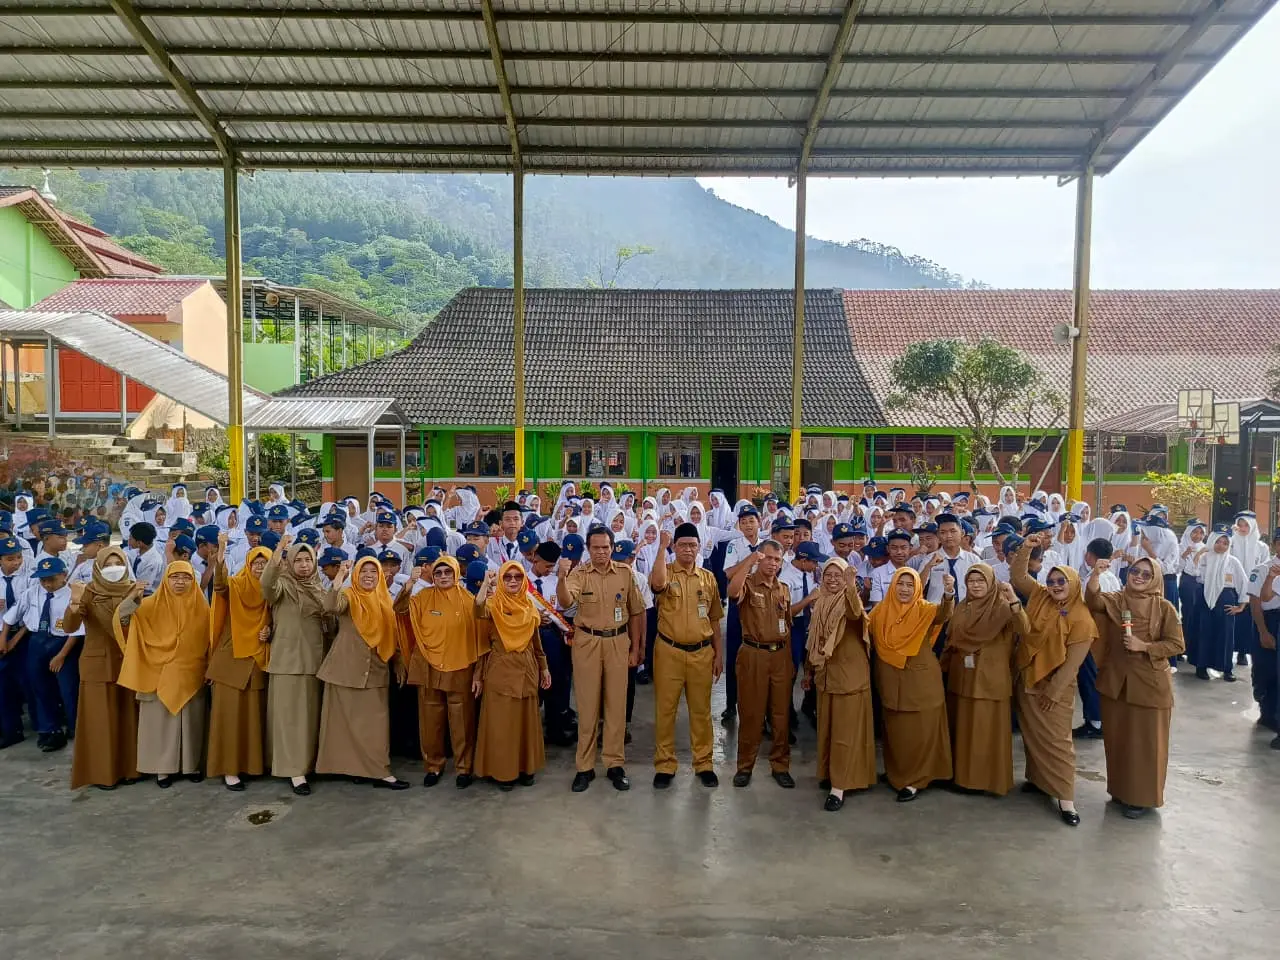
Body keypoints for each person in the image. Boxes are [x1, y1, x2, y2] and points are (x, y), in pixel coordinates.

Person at [1007, 537, 1097, 826]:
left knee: (1058, 743)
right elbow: (1018, 576)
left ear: (1073, 584)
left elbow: (1073, 664)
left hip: (1053, 687)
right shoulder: (1040, 595)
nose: (1056, 586)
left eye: (1062, 581)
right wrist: (1026, 548)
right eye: (1052, 580)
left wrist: (1054, 691)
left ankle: (1065, 798)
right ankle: (1038, 780)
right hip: (1027, 678)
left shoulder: (1082, 618)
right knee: (1032, 735)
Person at [1086, 557, 1184, 818]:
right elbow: (1093, 601)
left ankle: (1141, 799)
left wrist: (1145, 647)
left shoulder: (1164, 607)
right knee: (1118, 740)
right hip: (1117, 682)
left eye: (1146, 574)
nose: (1139, 576)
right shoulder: (1117, 600)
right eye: (1135, 571)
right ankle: (1121, 790)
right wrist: (1095, 575)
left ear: (1155, 579)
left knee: (1146, 745)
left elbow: (1177, 645)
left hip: (1150, 684)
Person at [557, 526, 645, 792]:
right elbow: (565, 601)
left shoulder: (625, 573)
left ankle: (614, 764)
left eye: (605, 547)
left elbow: (637, 612)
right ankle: (585, 767)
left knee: (616, 706)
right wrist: (561, 577)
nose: (601, 552)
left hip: (618, 641)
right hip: (587, 642)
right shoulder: (579, 574)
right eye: (595, 548)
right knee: (588, 706)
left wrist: (637, 649)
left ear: (612, 547)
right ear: (588, 549)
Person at [315, 555, 410, 790]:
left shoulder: (384, 599)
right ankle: (355, 770)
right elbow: (330, 607)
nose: (368, 575)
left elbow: (393, 633)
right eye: (364, 571)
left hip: (376, 669)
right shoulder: (349, 595)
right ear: (356, 574)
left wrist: (398, 660)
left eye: (373, 571)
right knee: (343, 725)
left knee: (375, 726)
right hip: (346, 668)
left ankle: (379, 771)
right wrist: (340, 577)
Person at [114, 562, 210, 787]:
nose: (180, 582)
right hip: (157, 672)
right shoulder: (149, 605)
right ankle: (162, 770)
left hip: (192, 673)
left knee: (192, 724)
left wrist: (210, 666)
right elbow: (122, 621)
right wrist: (133, 598)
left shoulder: (202, 608)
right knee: (160, 724)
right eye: (174, 577)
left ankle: (192, 766)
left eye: (185, 577)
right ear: (165, 579)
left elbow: (211, 640)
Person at [868, 566, 954, 802]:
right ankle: (897, 773)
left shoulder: (925, 609)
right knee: (895, 730)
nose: (904, 589)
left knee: (921, 731)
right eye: (900, 584)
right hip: (889, 680)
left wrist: (948, 594)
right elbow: (863, 627)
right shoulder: (880, 610)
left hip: (920, 682)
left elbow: (943, 614)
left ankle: (917, 780)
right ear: (892, 585)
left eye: (910, 585)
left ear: (917, 588)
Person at [648, 523, 724, 789]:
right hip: (669, 651)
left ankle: (704, 763)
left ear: (699, 547)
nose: (688, 550)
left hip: (702, 653)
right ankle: (665, 765)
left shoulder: (708, 578)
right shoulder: (665, 571)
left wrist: (718, 654)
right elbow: (657, 584)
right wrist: (661, 547)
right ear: (675, 547)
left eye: (693, 545)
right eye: (682, 545)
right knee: (665, 710)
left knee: (701, 711)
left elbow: (715, 619)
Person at [396, 555, 481, 789]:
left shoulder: (468, 600)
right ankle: (433, 766)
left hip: (460, 665)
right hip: (428, 664)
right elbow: (400, 610)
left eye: (448, 572)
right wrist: (409, 585)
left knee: (462, 720)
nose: (443, 577)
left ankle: (464, 768)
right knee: (430, 720)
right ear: (432, 576)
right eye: (438, 573)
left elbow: (480, 635)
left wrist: (478, 673)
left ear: (456, 574)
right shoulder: (422, 597)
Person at [942, 564, 1027, 797]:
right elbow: (951, 637)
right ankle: (964, 779)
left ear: (990, 583)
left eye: (981, 581)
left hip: (990, 680)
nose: (976, 585)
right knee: (964, 730)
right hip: (963, 677)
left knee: (986, 732)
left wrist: (1014, 600)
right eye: (971, 581)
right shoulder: (963, 606)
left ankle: (987, 781)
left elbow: (1024, 628)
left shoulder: (1002, 606)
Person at [61, 545, 139, 789]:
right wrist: (74, 604)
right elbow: (69, 627)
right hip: (98, 664)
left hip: (128, 662)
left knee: (128, 718)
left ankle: (130, 769)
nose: (114, 569)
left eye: (119, 564)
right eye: (108, 565)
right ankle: (103, 774)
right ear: (97, 567)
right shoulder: (88, 592)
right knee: (100, 721)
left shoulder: (134, 590)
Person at [803, 556, 876, 811]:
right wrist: (809, 671)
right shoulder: (821, 601)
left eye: (839, 575)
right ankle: (830, 773)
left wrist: (851, 585)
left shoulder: (849, 600)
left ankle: (840, 786)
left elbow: (855, 612)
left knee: (845, 732)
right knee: (828, 729)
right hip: (826, 675)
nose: (833, 580)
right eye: (829, 575)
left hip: (849, 677)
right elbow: (814, 640)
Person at [474, 561, 550, 789]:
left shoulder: (529, 605)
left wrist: (544, 667)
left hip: (527, 669)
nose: (513, 581)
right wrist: (487, 583)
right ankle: (503, 773)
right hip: (501, 669)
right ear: (501, 580)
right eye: (508, 577)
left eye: (518, 576)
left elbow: (536, 642)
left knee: (526, 723)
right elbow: (477, 608)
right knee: (502, 725)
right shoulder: (493, 604)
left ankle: (526, 768)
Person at [260, 539, 327, 796]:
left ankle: (308, 764)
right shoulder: (283, 585)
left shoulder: (319, 587)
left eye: (308, 560)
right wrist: (277, 553)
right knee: (289, 719)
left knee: (309, 719)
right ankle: (293, 770)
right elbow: (267, 585)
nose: (304, 565)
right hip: (288, 662)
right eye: (298, 560)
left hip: (314, 661)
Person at [727, 539, 795, 789]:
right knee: (751, 713)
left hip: (780, 655)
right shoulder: (747, 583)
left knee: (780, 715)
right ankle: (745, 766)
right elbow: (732, 592)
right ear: (759, 557)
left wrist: (790, 661)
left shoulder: (783, 589)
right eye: (768, 558)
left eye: (777, 559)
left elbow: (787, 624)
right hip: (753, 654)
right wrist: (749, 562)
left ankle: (780, 765)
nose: (773, 564)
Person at [205, 537, 271, 792]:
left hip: (256, 661)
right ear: (248, 564)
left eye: (265, 563)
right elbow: (219, 585)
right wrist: (221, 552)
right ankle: (229, 769)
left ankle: (252, 766)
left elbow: (280, 618)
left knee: (252, 719)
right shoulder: (236, 585)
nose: (260, 568)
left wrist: (270, 629)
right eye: (256, 563)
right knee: (229, 719)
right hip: (231, 661)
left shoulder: (272, 590)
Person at [0, 557, 81, 753]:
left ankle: (75, 727)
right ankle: (50, 729)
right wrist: (4, 639)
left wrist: (61, 655)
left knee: (68, 689)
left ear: (63, 575)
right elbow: (11, 616)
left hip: (63, 643)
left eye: (51, 579)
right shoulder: (33, 592)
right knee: (40, 688)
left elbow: (78, 630)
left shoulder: (74, 595)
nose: (46, 584)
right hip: (37, 641)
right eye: (43, 579)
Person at [1193, 527, 1247, 681]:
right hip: (1204, 599)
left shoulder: (1233, 561)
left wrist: (1241, 606)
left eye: (1225, 543)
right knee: (1204, 632)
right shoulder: (1204, 558)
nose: (1221, 545)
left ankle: (1226, 669)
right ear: (1211, 541)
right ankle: (1201, 666)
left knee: (1225, 634)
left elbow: (1244, 583)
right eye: (1218, 541)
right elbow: (1194, 573)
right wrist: (1198, 554)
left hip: (1225, 600)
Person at [0, 536, 30, 748]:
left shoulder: (29, 579)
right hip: (1, 638)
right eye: (10, 559)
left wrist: (14, 639)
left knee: (30, 683)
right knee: (4, 687)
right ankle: (11, 730)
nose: (16, 562)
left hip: (24, 635)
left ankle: (45, 728)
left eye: (19, 557)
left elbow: (33, 612)